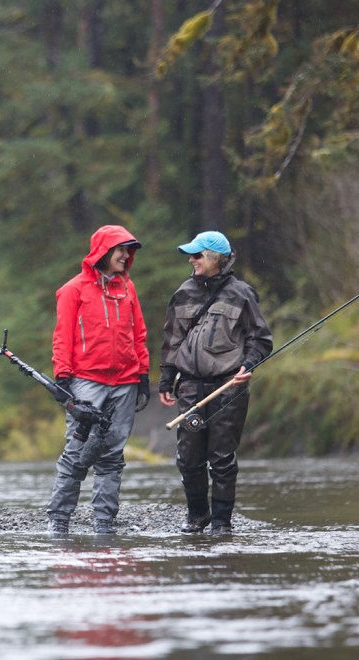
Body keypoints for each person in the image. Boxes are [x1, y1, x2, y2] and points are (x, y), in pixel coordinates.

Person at [158, 231, 272, 535]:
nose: (191, 260)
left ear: (216, 259)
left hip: (229, 388)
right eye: (191, 255)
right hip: (191, 390)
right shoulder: (182, 293)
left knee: (221, 458)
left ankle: (222, 522)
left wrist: (248, 365)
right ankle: (197, 516)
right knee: (189, 456)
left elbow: (260, 340)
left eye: (198, 255)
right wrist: (166, 380)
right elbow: (171, 340)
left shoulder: (243, 294)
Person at [46, 224, 151, 535]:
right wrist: (62, 377)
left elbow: (139, 333)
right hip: (85, 382)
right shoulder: (73, 290)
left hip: (126, 382)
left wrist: (143, 374)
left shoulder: (128, 289)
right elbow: (61, 336)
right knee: (78, 453)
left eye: (128, 250)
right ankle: (58, 521)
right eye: (120, 249)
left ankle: (104, 524)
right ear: (103, 252)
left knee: (112, 455)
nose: (125, 255)